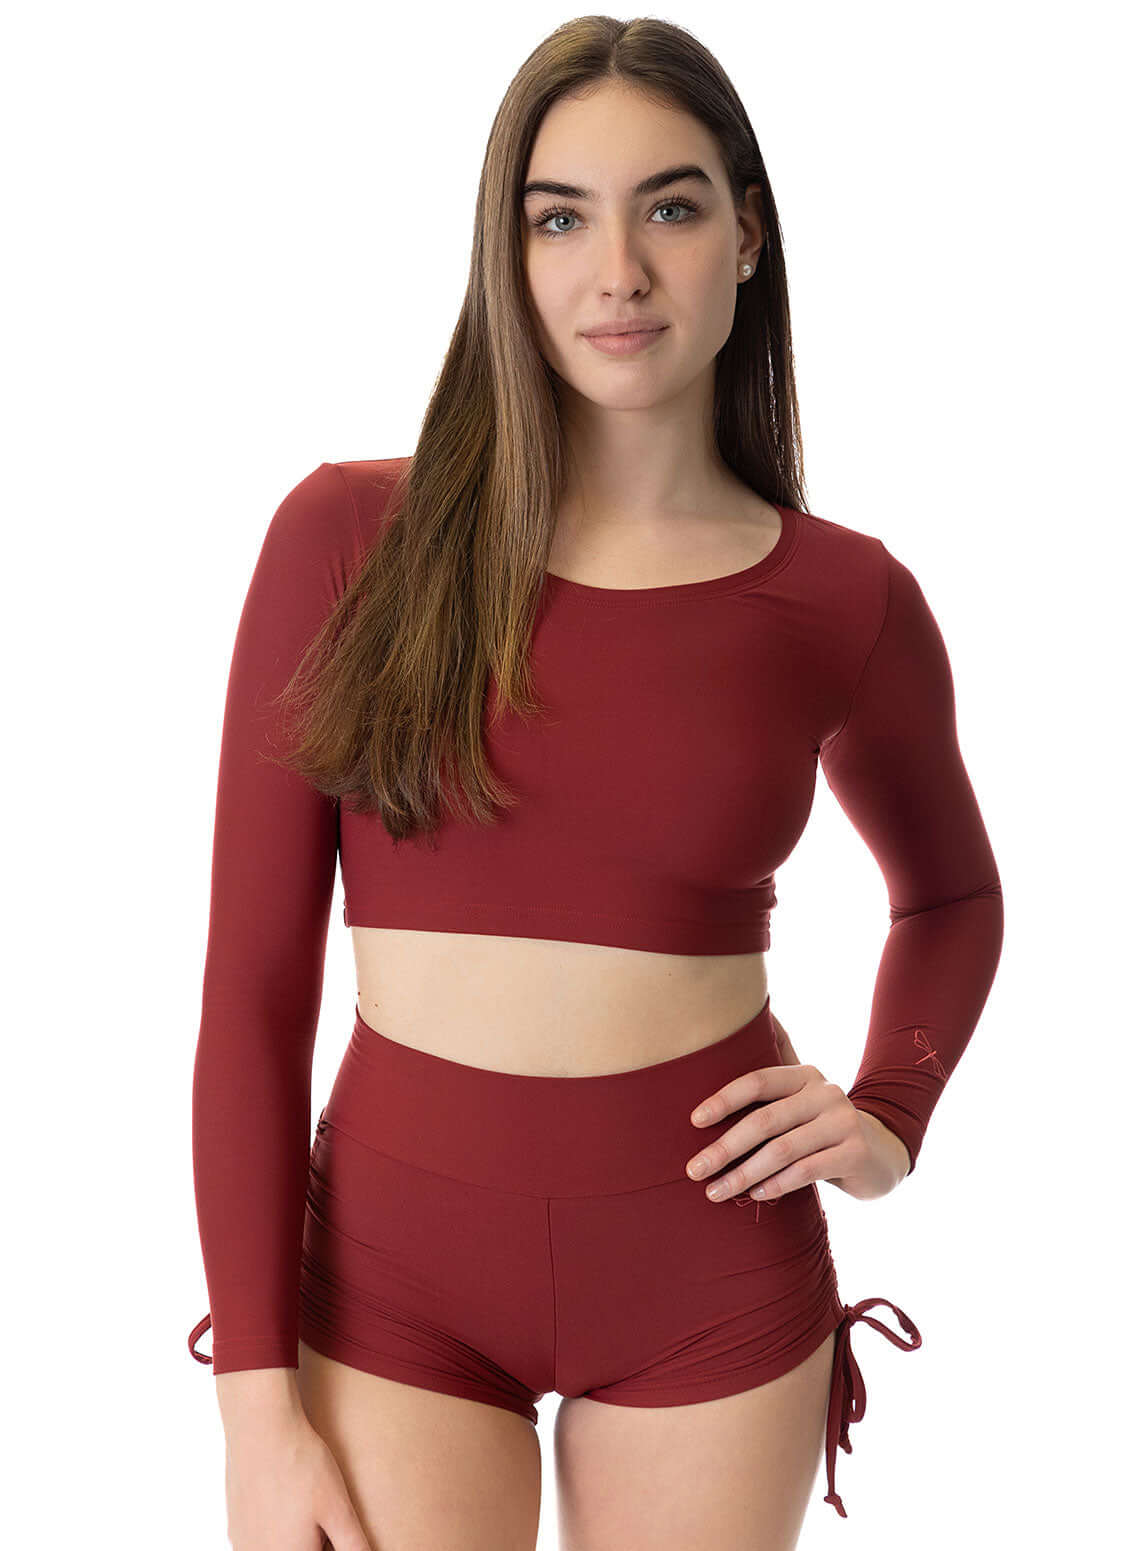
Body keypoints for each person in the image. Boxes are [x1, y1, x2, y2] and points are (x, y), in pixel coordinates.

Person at [187, 17, 1003, 1551]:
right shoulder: (347, 542)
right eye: (559, 218)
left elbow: (951, 895)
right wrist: (254, 1410)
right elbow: (251, 992)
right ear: (506, 253)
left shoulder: (844, 601)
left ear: (746, 235)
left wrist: (890, 1112)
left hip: (712, 1276)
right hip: (389, 1278)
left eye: (669, 209)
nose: (616, 271)